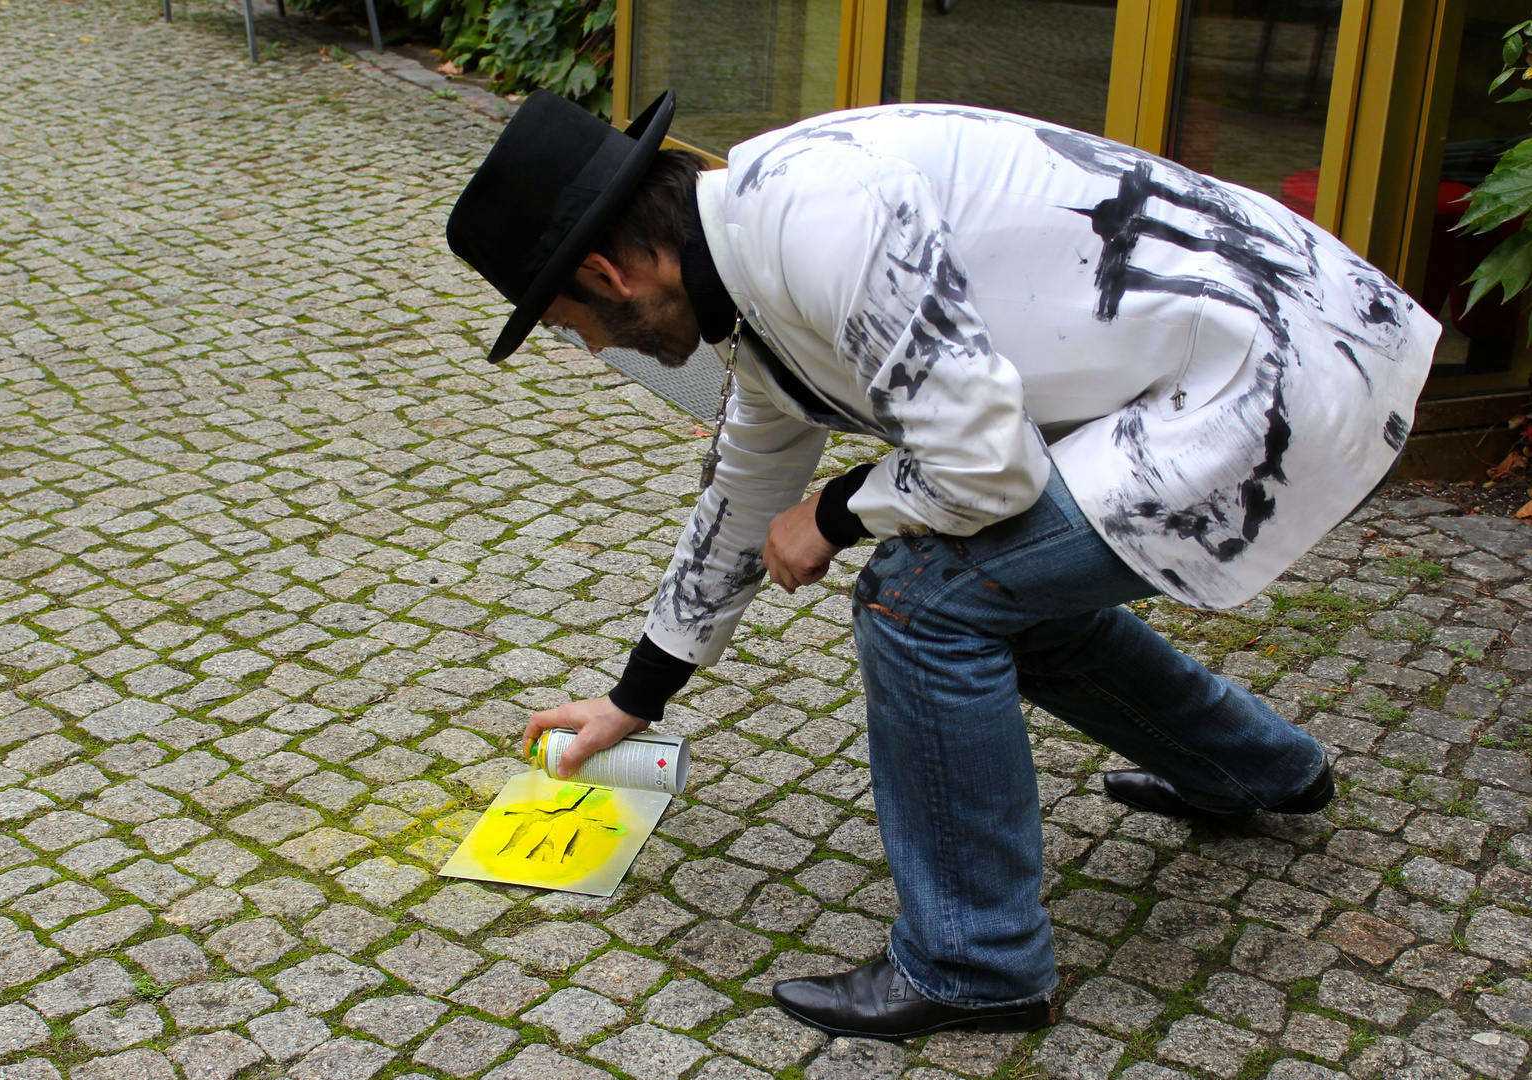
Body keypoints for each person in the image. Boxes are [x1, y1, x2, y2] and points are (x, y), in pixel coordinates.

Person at [445, 90, 1437, 1041]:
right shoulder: (750, 255)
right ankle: (1253, 771)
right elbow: (744, 493)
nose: (587, 348)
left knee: (918, 601)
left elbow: (982, 470)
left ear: (607, 274)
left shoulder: (816, 223)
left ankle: (977, 965)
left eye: (566, 325)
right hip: (1211, 367)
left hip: (1266, 378)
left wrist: (835, 512)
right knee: (1003, 589)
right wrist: (634, 699)